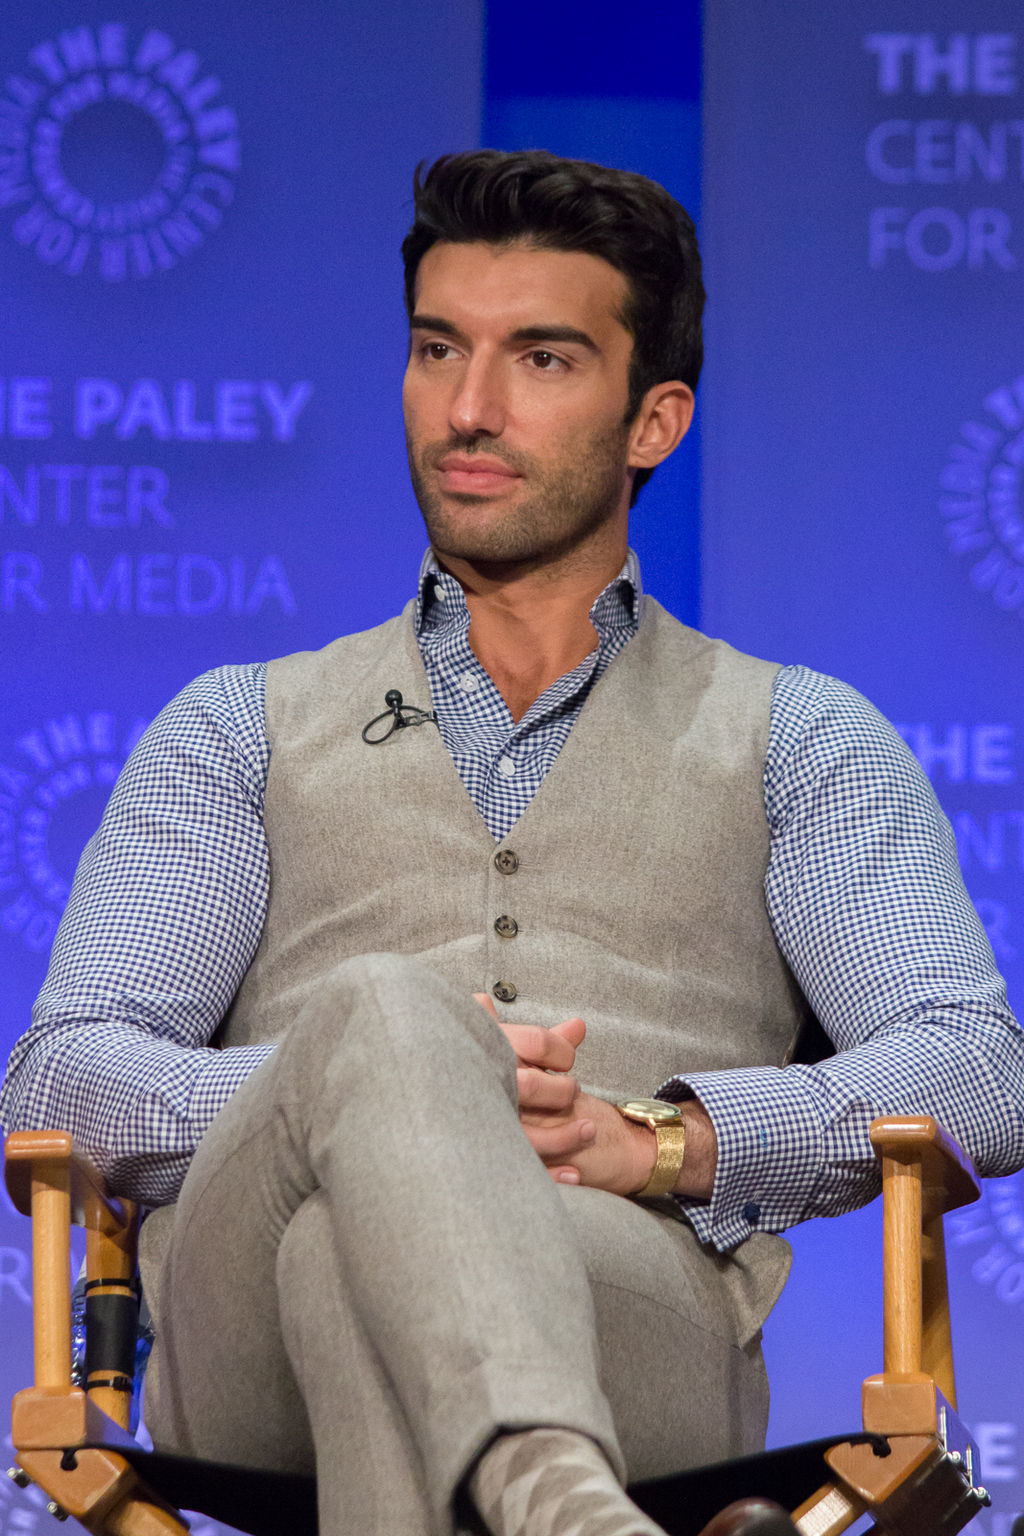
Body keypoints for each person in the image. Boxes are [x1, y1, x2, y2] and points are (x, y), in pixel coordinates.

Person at [2, 150, 1023, 1536]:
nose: (468, 409)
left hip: (627, 1305)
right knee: (383, 1020)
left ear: (654, 420)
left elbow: (977, 1070)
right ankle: (563, 1501)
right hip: (246, 1346)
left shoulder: (801, 738)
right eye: (438, 350)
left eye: (540, 359)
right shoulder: (237, 727)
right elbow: (61, 1076)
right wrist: (375, 1081)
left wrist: (664, 1142)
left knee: (346, 1264)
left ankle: (550, 1498)